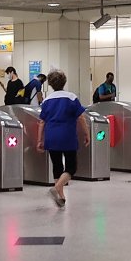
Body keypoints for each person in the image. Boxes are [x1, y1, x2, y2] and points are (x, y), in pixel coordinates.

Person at [37, 70, 89, 208]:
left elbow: (42, 122)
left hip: (51, 136)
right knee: (72, 167)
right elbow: (81, 117)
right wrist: (86, 133)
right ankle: (59, 186)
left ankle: (60, 196)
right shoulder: (71, 97)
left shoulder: (47, 100)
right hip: (68, 136)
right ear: (64, 82)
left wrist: (39, 140)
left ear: (51, 84)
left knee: (57, 165)